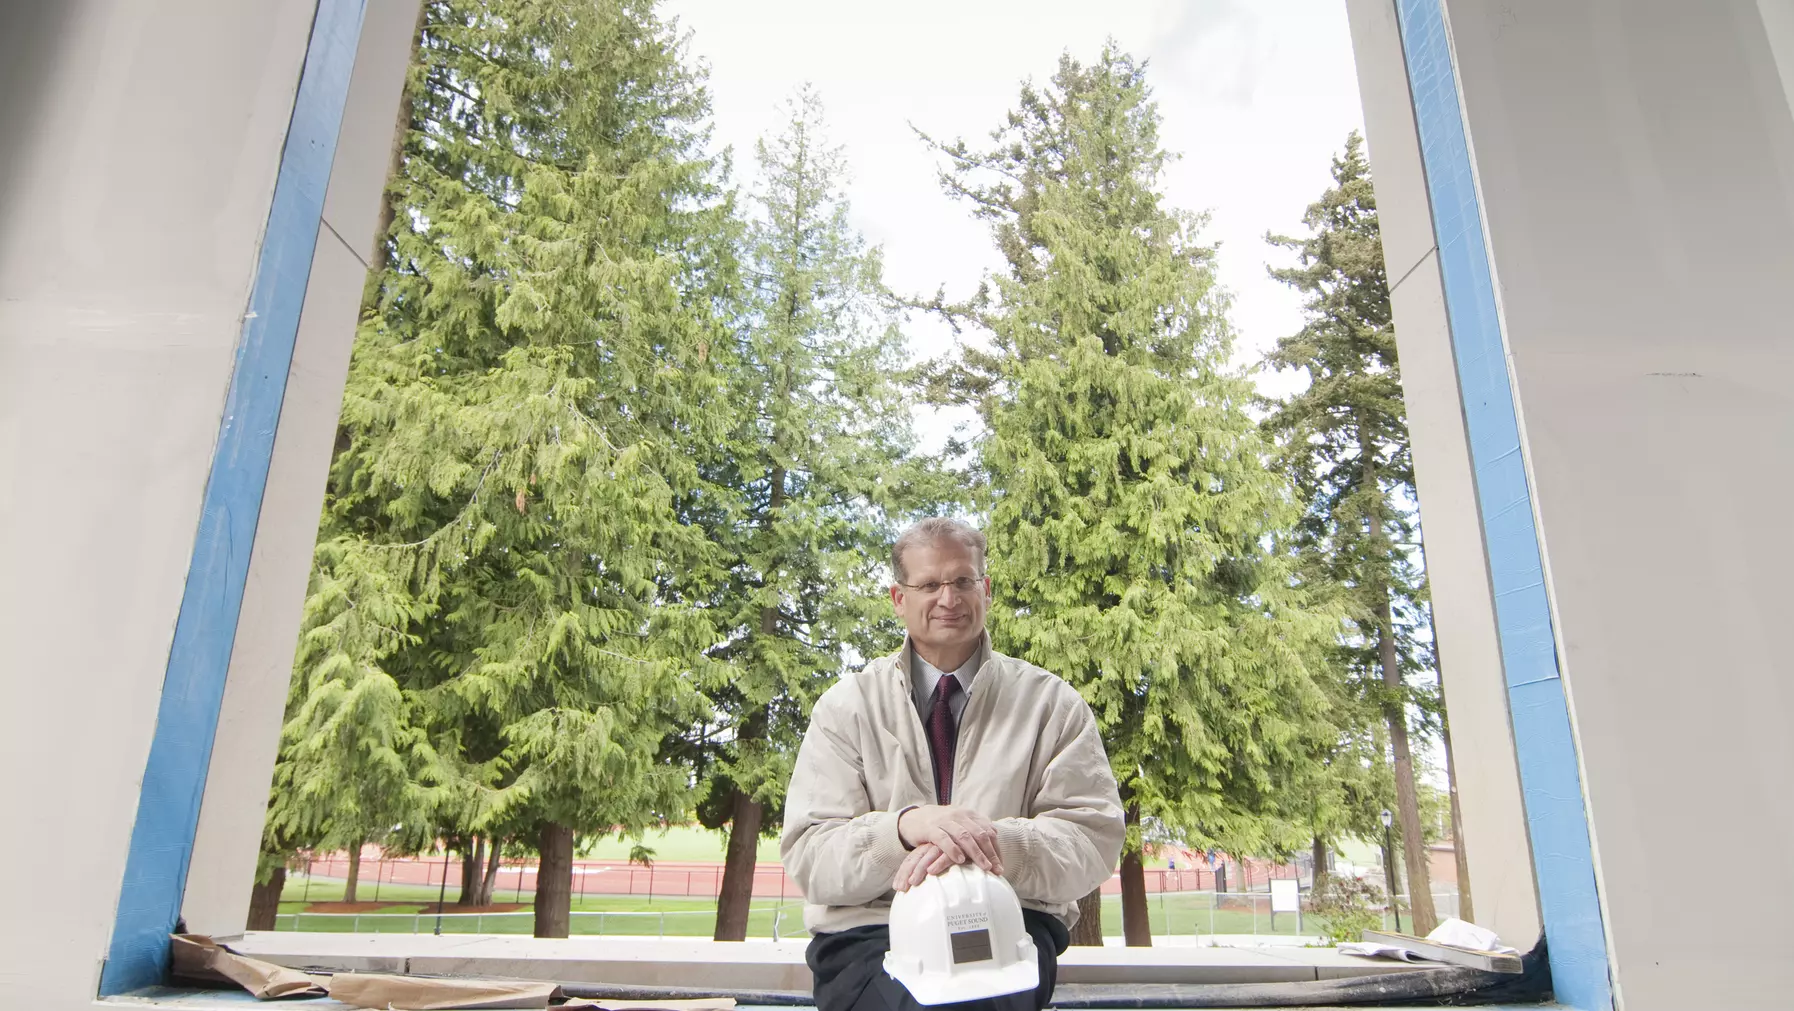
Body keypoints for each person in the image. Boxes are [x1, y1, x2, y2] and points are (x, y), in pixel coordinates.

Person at [781, 518, 1125, 1011]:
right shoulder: (846, 707)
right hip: (870, 930)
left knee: (971, 1000)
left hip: (1010, 922)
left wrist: (986, 845)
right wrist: (905, 830)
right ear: (899, 599)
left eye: (963, 581)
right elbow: (810, 854)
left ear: (985, 589)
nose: (949, 598)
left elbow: (1092, 840)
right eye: (929, 584)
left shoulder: (1052, 705)